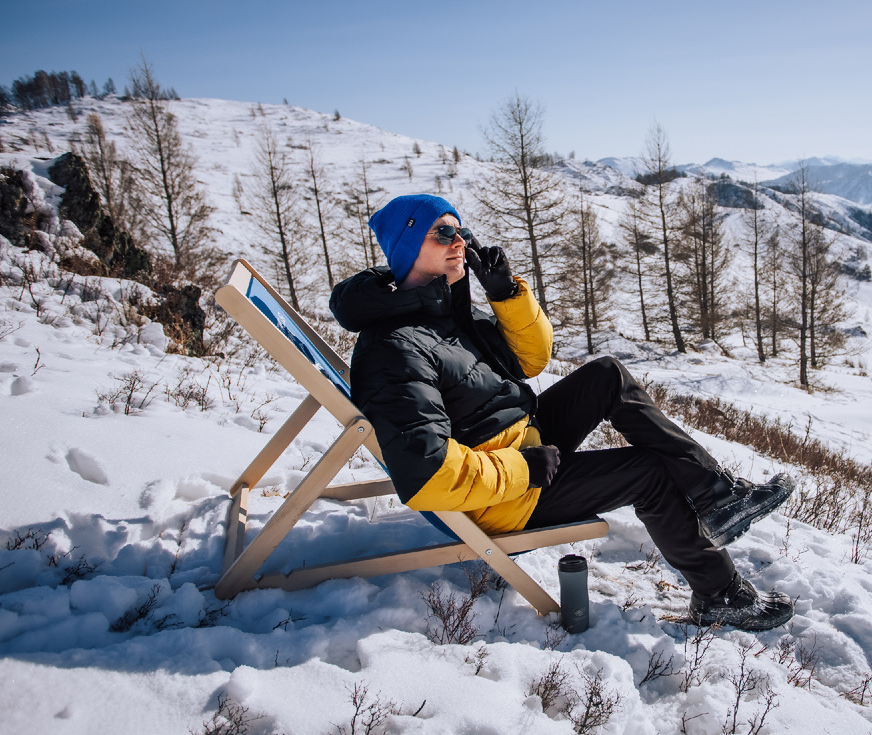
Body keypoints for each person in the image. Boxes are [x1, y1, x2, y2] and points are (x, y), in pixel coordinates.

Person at [329, 193, 797, 631]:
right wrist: (523, 469)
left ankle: (717, 496)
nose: (460, 244)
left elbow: (532, 359)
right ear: (409, 248)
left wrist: (506, 294)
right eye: (443, 234)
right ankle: (720, 593)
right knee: (648, 473)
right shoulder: (394, 347)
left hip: (519, 440)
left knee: (607, 375)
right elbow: (426, 473)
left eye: (461, 232)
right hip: (505, 493)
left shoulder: (445, 313)